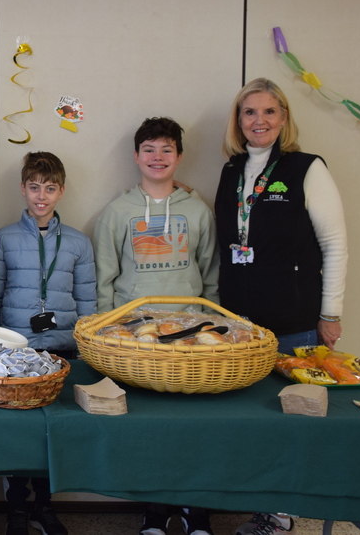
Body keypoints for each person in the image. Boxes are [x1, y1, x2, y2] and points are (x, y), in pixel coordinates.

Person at [215, 78, 347, 535]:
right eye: (249, 112)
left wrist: (330, 313)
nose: (259, 121)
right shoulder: (232, 170)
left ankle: (281, 514)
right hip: (238, 322)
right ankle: (258, 505)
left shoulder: (307, 168)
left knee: (291, 418)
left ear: (284, 118)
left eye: (269, 112)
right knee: (250, 419)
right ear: (239, 121)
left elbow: (335, 244)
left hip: (294, 318)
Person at [92, 117, 217, 535]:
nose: (158, 157)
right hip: (136, 336)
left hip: (190, 338)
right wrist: (107, 330)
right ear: (136, 156)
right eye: (149, 149)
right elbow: (104, 278)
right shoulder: (117, 211)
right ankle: (154, 509)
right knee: (146, 428)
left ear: (179, 156)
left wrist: (213, 328)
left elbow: (211, 274)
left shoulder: (198, 210)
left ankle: (195, 509)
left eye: (167, 149)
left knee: (195, 428)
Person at [0, 151, 95, 535]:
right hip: (16, 351)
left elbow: (88, 303)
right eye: (34, 187)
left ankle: (44, 506)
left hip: (62, 350)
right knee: (20, 433)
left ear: (61, 191)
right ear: (23, 189)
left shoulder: (79, 244)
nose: (41, 196)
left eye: (50, 188)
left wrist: (85, 348)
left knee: (54, 430)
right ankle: (16, 506)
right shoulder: (3, 239)